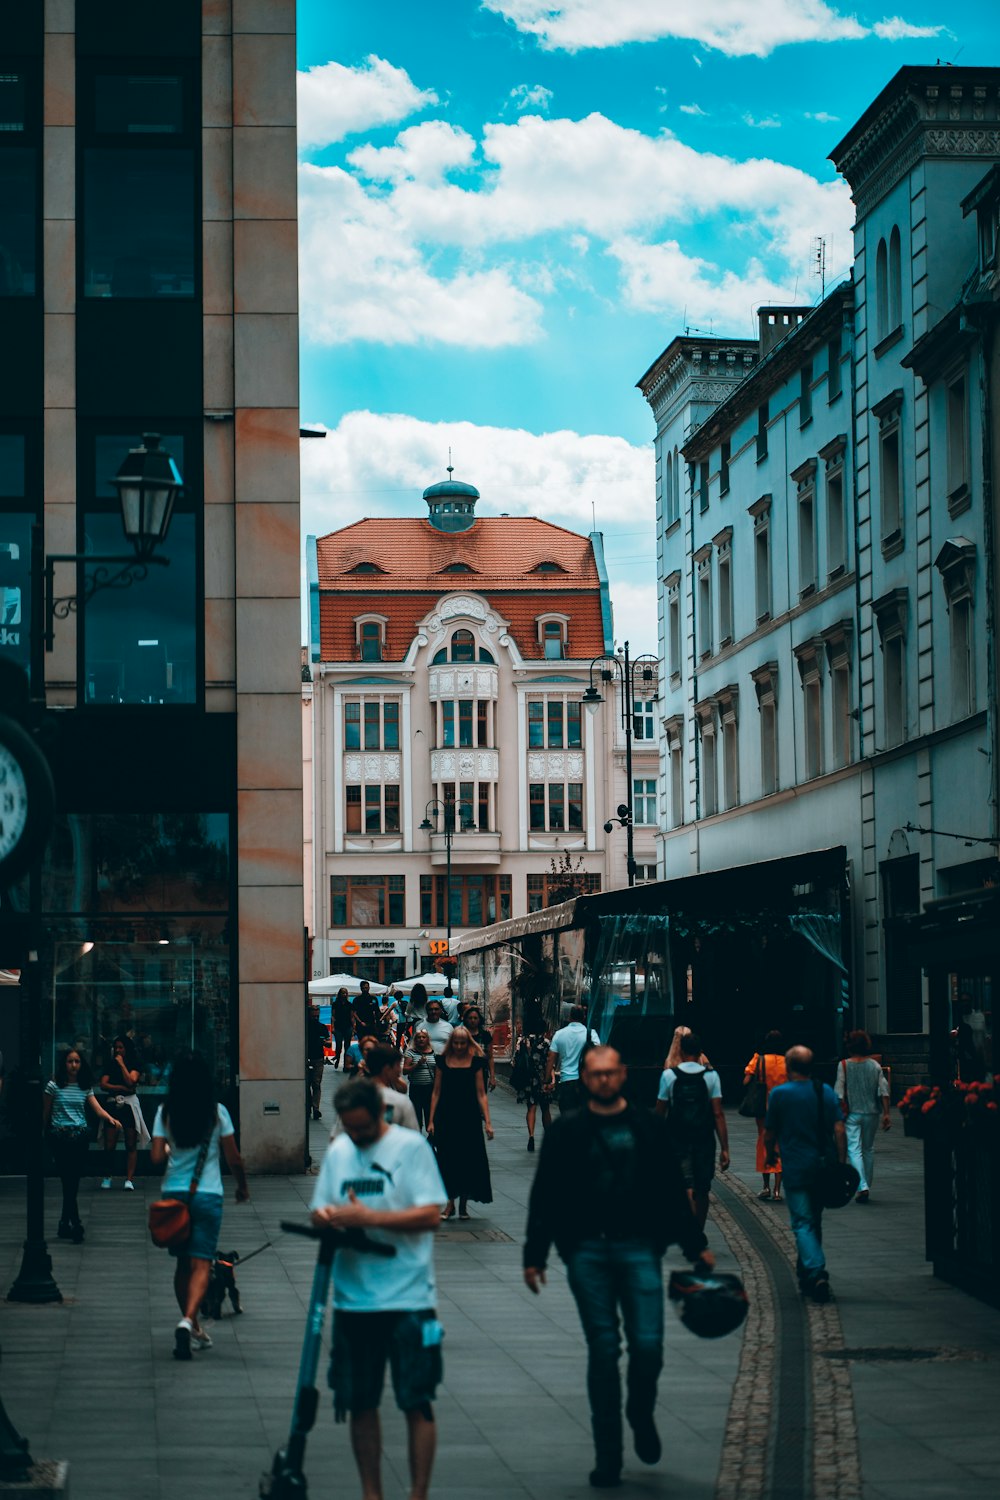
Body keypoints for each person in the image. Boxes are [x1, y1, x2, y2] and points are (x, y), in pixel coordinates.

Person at [524, 1046, 714, 1490]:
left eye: (611, 1073)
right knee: (604, 1348)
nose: (604, 1080)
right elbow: (546, 1192)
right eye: (596, 1074)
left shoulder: (646, 1125)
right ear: (586, 1078)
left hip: (640, 1246)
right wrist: (535, 1254)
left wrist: (694, 1243)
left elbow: (670, 1185)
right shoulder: (568, 1130)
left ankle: (641, 1410)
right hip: (587, 1250)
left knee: (648, 1343)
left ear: (622, 1074)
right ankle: (607, 1454)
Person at [311, 1077, 447, 1500]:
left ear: (380, 1114)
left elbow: (430, 1215)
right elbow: (320, 1209)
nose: (356, 1137)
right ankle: (372, 1493)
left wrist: (367, 1218)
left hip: (410, 1298)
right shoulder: (339, 1152)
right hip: (355, 1300)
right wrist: (328, 1218)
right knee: (359, 1401)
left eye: (363, 1129)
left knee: (417, 1400)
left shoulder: (411, 1149)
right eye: (349, 1129)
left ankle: (418, 1493)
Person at [150, 1050, 249, 1359]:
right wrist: (242, 1187)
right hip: (208, 1196)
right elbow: (234, 1157)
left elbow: (154, 1158)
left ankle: (191, 1324)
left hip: (174, 1196)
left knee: (182, 1264)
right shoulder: (217, 1112)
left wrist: (170, 1150)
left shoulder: (166, 1111)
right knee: (201, 1263)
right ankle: (188, 1322)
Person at [764, 1045, 846, 1302]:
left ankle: (816, 1269)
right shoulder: (825, 1092)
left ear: (789, 1067)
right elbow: (840, 1130)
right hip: (822, 1166)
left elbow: (770, 1132)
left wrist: (770, 1154)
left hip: (796, 1167)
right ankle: (806, 1271)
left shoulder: (779, 1094)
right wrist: (841, 1164)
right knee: (814, 1220)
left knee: (801, 1222)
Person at [44, 1048, 122, 1243]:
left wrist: (111, 1119)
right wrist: (42, 1136)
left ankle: (65, 1223)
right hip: (59, 1136)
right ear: (64, 1064)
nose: (73, 1066)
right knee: (67, 1179)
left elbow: (97, 1109)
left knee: (73, 1180)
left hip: (79, 1137)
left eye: (77, 1062)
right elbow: (45, 1113)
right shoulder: (53, 1086)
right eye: (70, 1062)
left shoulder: (84, 1087)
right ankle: (75, 1223)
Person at [655, 1031, 729, 1230]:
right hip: (704, 1138)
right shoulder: (711, 1077)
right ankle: (698, 1227)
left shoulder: (669, 1076)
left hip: (678, 1137)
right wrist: (725, 1148)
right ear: (700, 1052)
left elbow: (660, 1111)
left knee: (686, 1183)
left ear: (681, 1050)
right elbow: (718, 1113)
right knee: (702, 1187)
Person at [427, 1027, 493, 1221]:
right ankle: (450, 1204)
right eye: (456, 1042)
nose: (458, 1046)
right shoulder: (442, 1062)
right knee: (448, 1159)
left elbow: (481, 1093)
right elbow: (436, 1091)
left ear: (468, 1043)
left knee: (469, 1159)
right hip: (447, 1116)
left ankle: (463, 1205)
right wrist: (431, 1120)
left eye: (462, 1043)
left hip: (469, 1117)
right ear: (451, 1042)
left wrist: (488, 1121)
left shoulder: (476, 1063)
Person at [835, 1030, 890, 1204]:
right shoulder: (874, 1065)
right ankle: (866, 1184)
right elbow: (884, 1090)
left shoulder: (843, 1065)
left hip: (852, 1113)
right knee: (868, 1148)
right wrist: (887, 1113)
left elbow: (839, 1091)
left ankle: (862, 1185)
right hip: (872, 1112)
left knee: (854, 1149)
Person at [99, 1035, 150, 1190]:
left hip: (129, 1105)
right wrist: (120, 1088)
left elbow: (131, 1081)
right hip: (113, 1104)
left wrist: (122, 1065)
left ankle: (129, 1179)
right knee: (110, 1143)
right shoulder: (110, 1063)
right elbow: (103, 1084)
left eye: (121, 1047)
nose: (118, 1050)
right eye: (116, 1047)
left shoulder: (135, 1063)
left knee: (130, 1143)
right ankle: (107, 1176)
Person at [742, 1030, 788, 1201]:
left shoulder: (758, 1060)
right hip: (782, 1108)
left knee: (763, 1142)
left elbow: (746, 1081)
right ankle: (777, 1190)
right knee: (780, 1145)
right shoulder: (787, 1062)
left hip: (762, 1107)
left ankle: (766, 1186)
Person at [332, 1046, 419, 1135]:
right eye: (397, 1065)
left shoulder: (352, 1098)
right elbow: (414, 1137)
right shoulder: (401, 1102)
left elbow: (337, 1135)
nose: (399, 1070)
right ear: (387, 1068)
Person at [546, 1004, 600, 1112]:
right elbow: (599, 1055)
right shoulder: (591, 1034)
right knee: (585, 1117)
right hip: (586, 1082)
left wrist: (547, 1080)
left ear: (569, 1017)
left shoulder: (559, 1034)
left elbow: (551, 1058)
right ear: (584, 1017)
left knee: (567, 1118)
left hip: (566, 1081)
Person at [512, 1024, 551, 1152]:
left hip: (528, 1079)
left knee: (531, 1107)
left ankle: (531, 1136)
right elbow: (550, 1061)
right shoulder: (545, 1043)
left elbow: (514, 1061)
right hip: (542, 1078)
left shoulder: (522, 1040)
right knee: (545, 1108)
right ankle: (549, 1137)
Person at [403, 1027, 436, 1132]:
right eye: (418, 1038)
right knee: (416, 1117)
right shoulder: (410, 1053)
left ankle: (431, 1140)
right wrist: (417, 1064)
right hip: (416, 1088)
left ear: (427, 1039)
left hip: (430, 1088)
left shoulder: (434, 1053)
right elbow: (405, 1070)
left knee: (430, 1115)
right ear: (415, 1040)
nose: (421, 1039)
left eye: (423, 1037)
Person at [462, 1005, 496, 1090]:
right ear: (466, 1019)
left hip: (481, 1073)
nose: (472, 1020)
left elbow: (490, 1057)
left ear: (479, 1020)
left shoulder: (485, 1035)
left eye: (475, 1018)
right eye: (470, 1018)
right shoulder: (461, 1034)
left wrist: (492, 1077)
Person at [308, 1005, 329, 1121]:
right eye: (313, 1016)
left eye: (317, 1016)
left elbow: (328, 1041)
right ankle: (308, 1107)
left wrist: (325, 1042)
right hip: (306, 1057)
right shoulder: (304, 1027)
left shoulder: (322, 1027)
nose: (315, 1018)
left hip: (318, 1058)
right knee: (306, 1084)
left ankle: (315, 1108)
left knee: (316, 1083)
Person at [332, 988, 354, 1070]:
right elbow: (333, 1016)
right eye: (343, 993)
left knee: (347, 1046)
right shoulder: (335, 1004)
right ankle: (337, 1058)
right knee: (338, 1046)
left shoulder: (349, 1004)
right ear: (340, 994)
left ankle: (346, 1065)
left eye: (345, 993)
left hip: (348, 1027)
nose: (344, 995)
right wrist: (333, 1027)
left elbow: (352, 1017)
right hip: (338, 1027)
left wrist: (353, 1028)